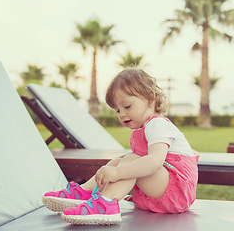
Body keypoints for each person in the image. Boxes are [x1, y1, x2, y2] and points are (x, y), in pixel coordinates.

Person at [42, 68, 199, 225]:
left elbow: (155, 161)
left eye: (127, 106)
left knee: (128, 161)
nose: (122, 114)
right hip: (166, 190)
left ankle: (106, 203)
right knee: (120, 161)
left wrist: (117, 173)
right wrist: (117, 169)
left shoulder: (157, 123)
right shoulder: (145, 128)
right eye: (117, 110)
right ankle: (85, 192)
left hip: (176, 191)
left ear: (150, 99)